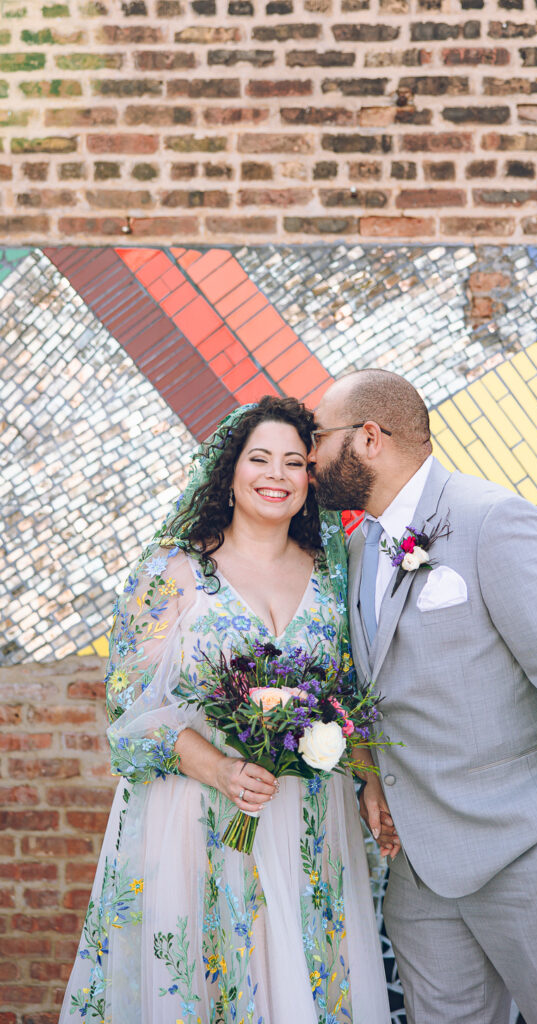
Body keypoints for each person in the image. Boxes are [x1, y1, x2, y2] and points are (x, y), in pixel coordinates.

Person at [309, 369, 537, 1024]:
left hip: (531, 854)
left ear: (369, 437)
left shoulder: (492, 521)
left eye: (318, 437)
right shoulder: (352, 552)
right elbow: (373, 688)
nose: (308, 456)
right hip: (420, 877)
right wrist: (372, 777)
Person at [59, 396, 391, 1024]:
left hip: (304, 816)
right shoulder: (172, 572)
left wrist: (370, 781)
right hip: (195, 813)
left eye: (294, 462)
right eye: (259, 458)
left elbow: (349, 690)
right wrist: (218, 769)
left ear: (311, 480)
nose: (277, 474)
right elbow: (129, 703)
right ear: (229, 473)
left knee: (303, 977)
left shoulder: (331, 575)